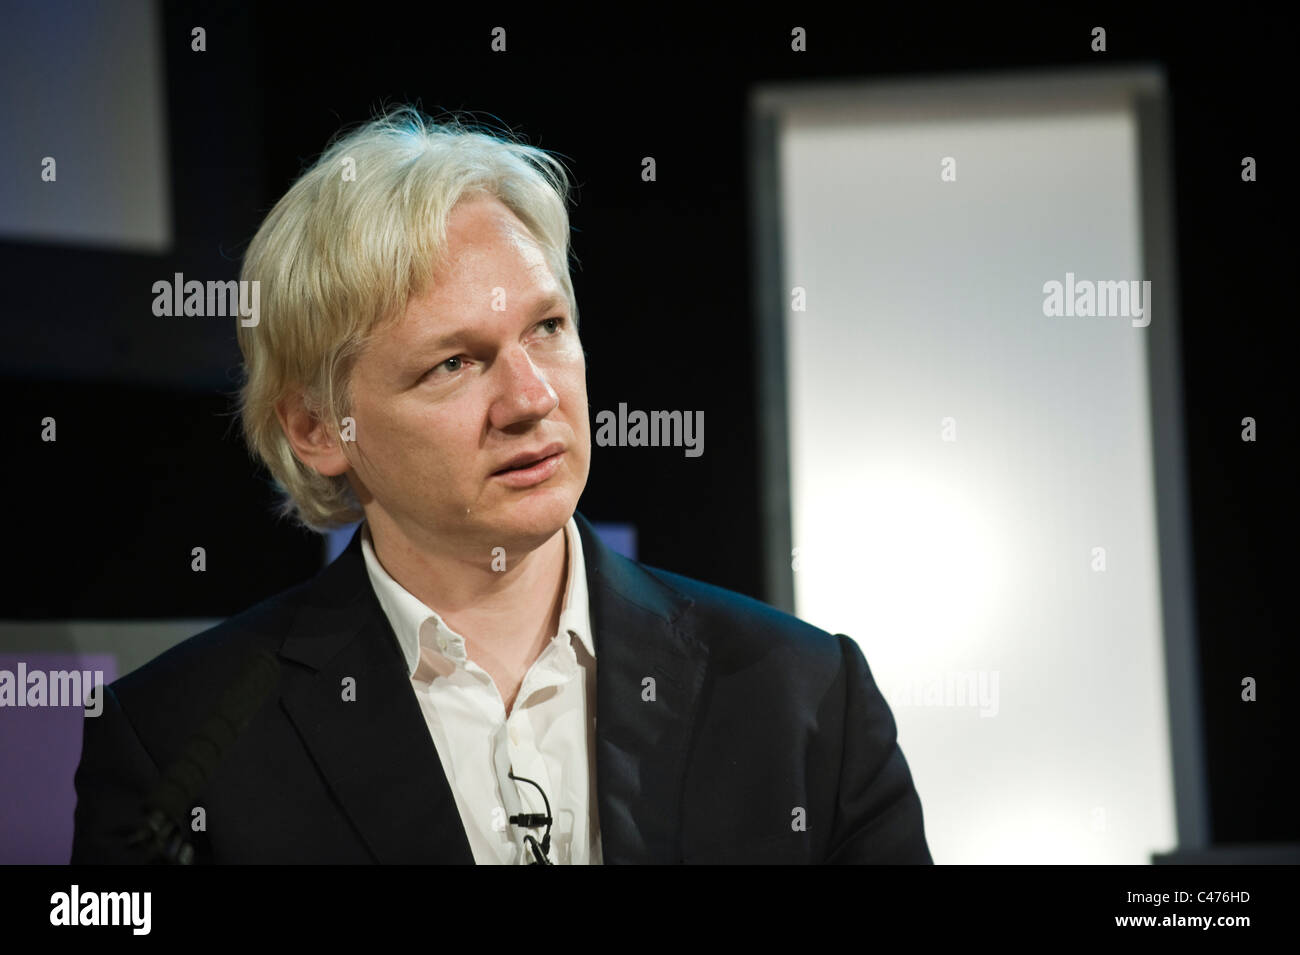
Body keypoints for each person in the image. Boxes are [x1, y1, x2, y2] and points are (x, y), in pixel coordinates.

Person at [70, 107, 932, 864]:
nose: (531, 398)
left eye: (547, 327)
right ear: (317, 428)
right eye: (453, 362)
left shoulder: (807, 697)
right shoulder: (179, 747)